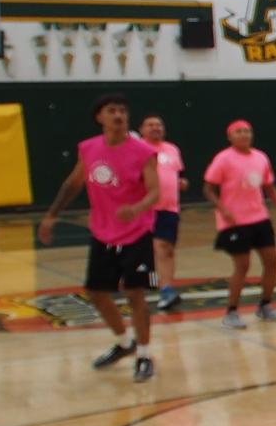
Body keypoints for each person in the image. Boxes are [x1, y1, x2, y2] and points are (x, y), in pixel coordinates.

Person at [37, 94, 160, 382]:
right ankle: (123, 343)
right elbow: (72, 183)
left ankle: (144, 354)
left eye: (122, 111)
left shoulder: (142, 152)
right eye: (112, 111)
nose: (118, 115)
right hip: (103, 233)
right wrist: (51, 215)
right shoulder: (88, 149)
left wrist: (138, 208)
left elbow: (156, 192)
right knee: (95, 292)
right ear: (100, 118)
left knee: (135, 293)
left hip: (137, 232)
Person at [204, 119, 276, 329]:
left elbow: (269, 186)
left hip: (259, 217)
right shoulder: (223, 159)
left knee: (272, 261)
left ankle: (265, 305)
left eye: (247, 131)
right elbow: (208, 189)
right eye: (239, 132)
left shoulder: (261, 157)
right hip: (235, 221)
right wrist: (222, 209)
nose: (244, 135)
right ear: (230, 136)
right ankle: (231, 311)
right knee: (243, 265)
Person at [138, 113, 187, 313]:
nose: (155, 128)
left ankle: (167, 290)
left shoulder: (172, 149)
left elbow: (174, 175)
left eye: (159, 125)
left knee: (165, 249)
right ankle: (142, 287)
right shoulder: (136, 150)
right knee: (149, 250)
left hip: (169, 208)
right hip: (144, 208)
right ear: (141, 130)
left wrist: (180, 183)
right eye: (150, 125)